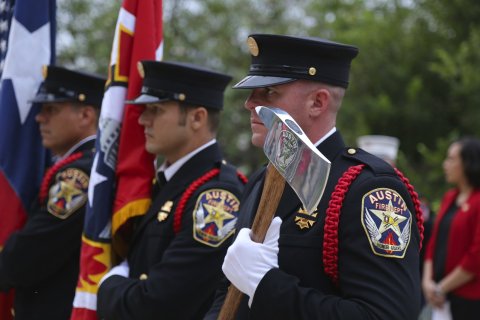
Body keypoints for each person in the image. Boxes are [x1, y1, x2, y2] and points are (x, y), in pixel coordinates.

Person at [205, 34, 424, 319]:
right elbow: (228, 293)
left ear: (317, 103)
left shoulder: (365, 188)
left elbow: (385, 314)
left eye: (268, 92)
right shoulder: (261, 181)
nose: (249, 103)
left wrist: (265, 284)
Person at [96, 60, 247, 320]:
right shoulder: (168, 183)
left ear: (197, 118)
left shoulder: (216, 196)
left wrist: (107, 284)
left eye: (155, 110)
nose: (143, 120)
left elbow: (158, 304)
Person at [0, 65, 105, 319]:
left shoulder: (78, 175)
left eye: (51, 110)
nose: (39, 118)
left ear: (86, 116)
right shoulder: (81, 164)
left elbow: (28, 256)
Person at [422, 137, 480, 319]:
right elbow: (434, 242)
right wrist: (427, 281)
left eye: (451, 159)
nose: (445, 164)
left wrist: (441, 287)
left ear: (468, 163)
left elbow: (476, 256)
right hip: (439, 296)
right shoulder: (449, 198)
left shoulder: (477, 202)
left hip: (468, 300)